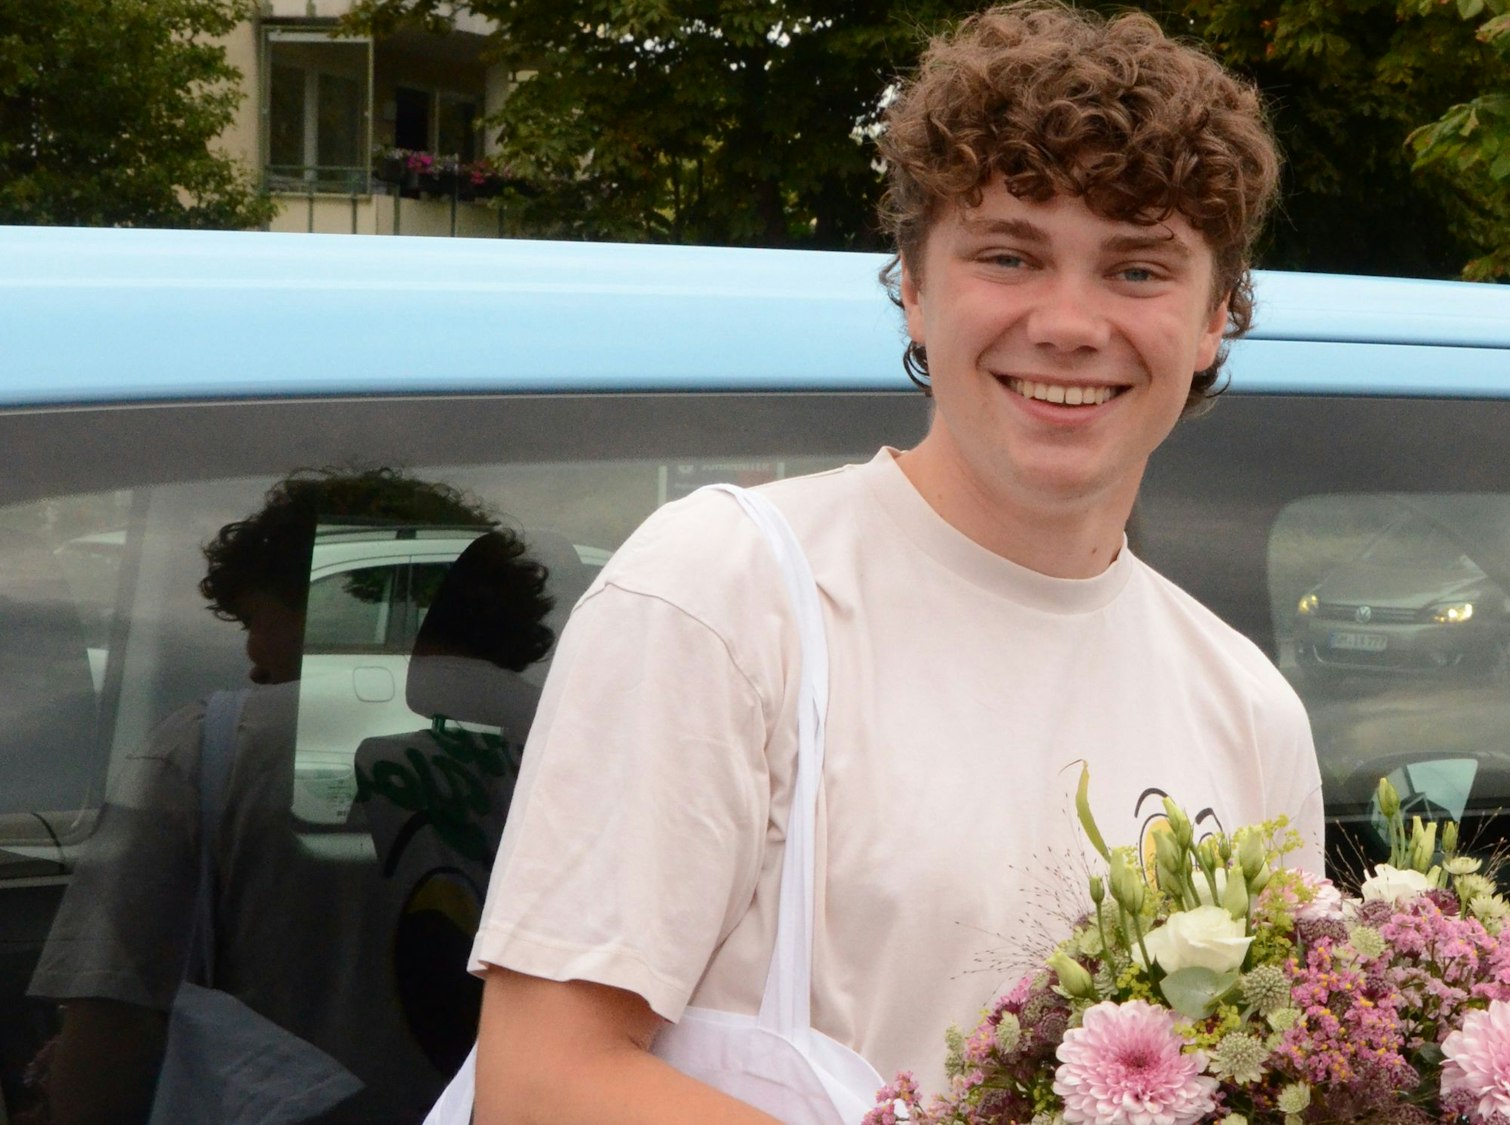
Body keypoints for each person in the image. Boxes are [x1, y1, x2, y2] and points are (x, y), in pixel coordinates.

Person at [467, 4, 1324, 1121]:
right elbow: (540, 1085)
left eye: (1137, 270)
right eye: (1009, 255)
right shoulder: (728, 592)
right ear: (914, 288)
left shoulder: (1246, 704)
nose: (1068, 323)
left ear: (1217, 319)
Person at [25, 469, 554, 1124]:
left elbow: (114, 1022)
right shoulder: (587, 734)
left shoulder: (211, 747)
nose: (252, 656)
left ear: (330, 596)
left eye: (256, 618)